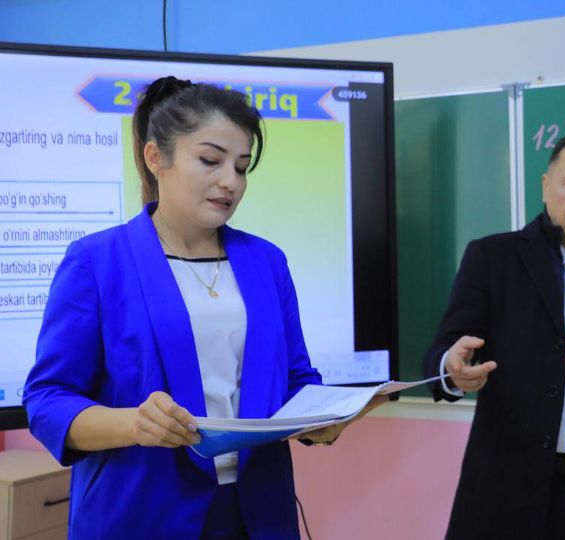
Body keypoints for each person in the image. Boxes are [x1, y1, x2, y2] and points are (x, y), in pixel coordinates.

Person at [23, 76, 368, 539]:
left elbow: (296, 381)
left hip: (258, 512)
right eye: (210, 160)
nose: (230, 182)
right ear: (155, 158)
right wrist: (135, 424)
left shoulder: (267, 261)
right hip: (141, 514)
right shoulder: (97, 261)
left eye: (241, 167)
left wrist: (325, 418)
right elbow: (48, 400)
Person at [423, 129, 565, 539]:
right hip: (514, 491)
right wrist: (452, 367)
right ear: (546, 185)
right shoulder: (493, 258)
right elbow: (444, 349)